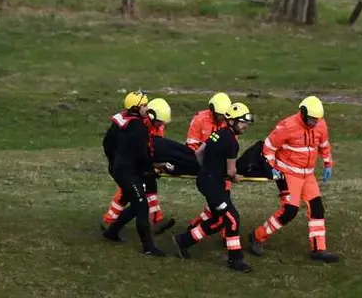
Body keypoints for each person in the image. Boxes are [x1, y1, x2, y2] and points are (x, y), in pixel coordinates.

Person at [247, 96, 339, 263]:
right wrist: (272, 168)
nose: (314, 123)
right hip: (288, 174)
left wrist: (328, 163)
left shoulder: (320, 124)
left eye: (316, 120)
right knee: (289, 211)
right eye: (311, 119)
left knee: (317, 209)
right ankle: (257, 236)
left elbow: (324, 144)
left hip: (307, 174)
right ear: (303, 113)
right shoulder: (287, 126)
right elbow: (268, 147)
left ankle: (319, 249)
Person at [172, 102, 255, 272]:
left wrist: (207, 168)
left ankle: (183, 241)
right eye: (242, 122)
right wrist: (234, 177)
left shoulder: (217, 133)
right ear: (232, 121)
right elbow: (231, 171)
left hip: (206, 180)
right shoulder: (232, 142)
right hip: (213, 184)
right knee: (232, 218)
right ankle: (235, 259)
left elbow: (198, 153)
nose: (245, 126)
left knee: (219, 220)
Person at [101, 91, 167, 256]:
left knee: (136, 203)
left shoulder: (122, 121)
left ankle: (111, 232)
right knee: (142, 207)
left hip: (119, 168)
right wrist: (150, 170)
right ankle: (148, 247)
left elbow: (107, 143)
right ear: (137, 108)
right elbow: (142, 154)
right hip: (128, 172)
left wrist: (114, 160)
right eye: (144, 105)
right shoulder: (139, 127)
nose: (147, 108)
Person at [185, 92, 232, 236]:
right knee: (222, 205)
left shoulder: (228, 121)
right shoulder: (199, 120)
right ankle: (227, 232)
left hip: (221, 169)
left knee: (222, 202)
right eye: (220, 115)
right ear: (212, 110)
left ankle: (225, 231)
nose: (223, 118)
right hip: (207, 170)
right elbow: (191, 146)